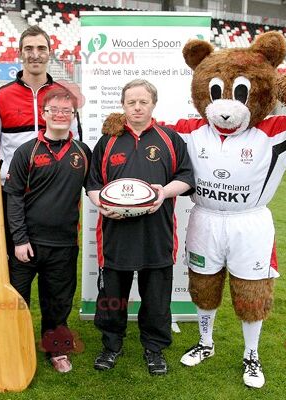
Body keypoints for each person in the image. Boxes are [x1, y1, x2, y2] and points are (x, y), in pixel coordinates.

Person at [87, 79, 195, 375]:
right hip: (116, 235)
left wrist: (163, 192)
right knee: (112, 297)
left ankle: (154, 349)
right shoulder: (108, 141)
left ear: (153, 104)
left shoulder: (169, 139)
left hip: (156, 235)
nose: (137, 107)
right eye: (131, 102)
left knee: (156, 298)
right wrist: (104, 205)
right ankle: (111, 346)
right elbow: (93, 183)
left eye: (143, 102)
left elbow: (187, 178)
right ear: (123, 105)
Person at [0, 25, 82, 288]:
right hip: (14, 194)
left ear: (49, 53)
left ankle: (54, 327)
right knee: (16, 272)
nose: (35, 54)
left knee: (56, 275)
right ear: (20, 53)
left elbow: (76, 143)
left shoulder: (64, 96)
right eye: (29, 49)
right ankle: (15, 325)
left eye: (41, 48)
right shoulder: (1, 96)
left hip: (56, 195)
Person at [3, 87, 91, 373]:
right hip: (26, 244)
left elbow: (96, 190)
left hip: (64, 244)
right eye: (55, 110)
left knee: (58, 302)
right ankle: (17, 346)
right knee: (18, 300)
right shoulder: (26, 151)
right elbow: (14, 196)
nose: (61, 115)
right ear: (44, 114)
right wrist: (18, 239)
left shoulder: (82, 152)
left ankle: (56, 350)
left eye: (68, 111)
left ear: (74, 116)